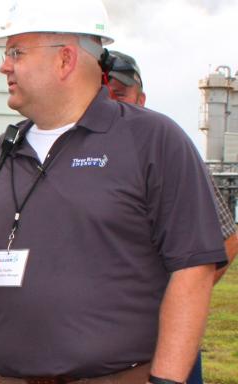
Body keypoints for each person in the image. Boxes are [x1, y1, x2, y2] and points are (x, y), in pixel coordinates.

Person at [0, 0, 228, 383]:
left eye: (16, 52)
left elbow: (193, 269)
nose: (3, 65)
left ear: (65, 59)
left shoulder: (153, 141)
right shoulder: (0, 151)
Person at [107, 49, 238, 384]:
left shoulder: (167, 152)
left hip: (162, 341)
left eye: (121, 94)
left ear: (142, 98)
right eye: (103, 94)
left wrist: (179, 302)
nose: (112, 102)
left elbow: (229, 237)